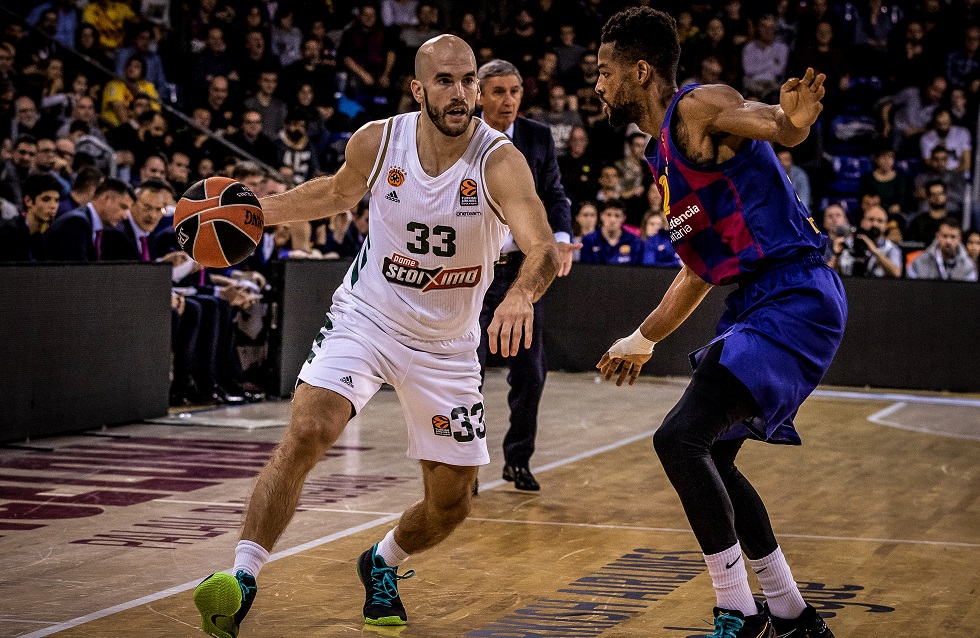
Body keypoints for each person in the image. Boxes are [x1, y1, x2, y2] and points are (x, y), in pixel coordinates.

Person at [192, 34, 560, 637]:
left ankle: (381, 562)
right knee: (310, 429)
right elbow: (335, 192)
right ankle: (241, 579)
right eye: (445, 81)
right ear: (418, 89)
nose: (461, 93)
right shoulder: (379, 139)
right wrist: (258, 212)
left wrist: (520, 294)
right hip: (369, 317)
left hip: (447, 346)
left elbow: (541, 246)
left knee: (451, 504)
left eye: (468, 80)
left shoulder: (499, 160)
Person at [594, 8, 843, 638]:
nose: (595, 84)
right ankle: (791, 613)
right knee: (714, 459)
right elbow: (699, 273)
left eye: (604, 70)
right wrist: (642, 337)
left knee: (678, 440)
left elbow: (765, 123)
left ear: (640, 70)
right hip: (757, 302)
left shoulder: (698, 107)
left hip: (795, 296)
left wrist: (790, 124)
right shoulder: (664, 162)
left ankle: (737, 609)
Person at [474, 58, 577, 492]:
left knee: (531, 371)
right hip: (472, 272)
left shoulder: (535, 136)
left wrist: (560, 237)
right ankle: (464, 469)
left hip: (521, 271)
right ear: (479, 95)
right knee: (466, 373)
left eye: (514, 91)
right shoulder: (461, 138)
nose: (508, 100)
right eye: (498, 92)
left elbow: (554, 194)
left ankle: (518, 460)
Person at [832, 205, 903, 278]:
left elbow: (897, 274)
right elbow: (826, 274)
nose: (875, 224)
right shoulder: (847, 243)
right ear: (862, 222)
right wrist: (836, 255)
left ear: (885, 226)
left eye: (880, 221)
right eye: (871, 219)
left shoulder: (891, 248)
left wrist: (875, 251)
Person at [907, 218, 978, 281]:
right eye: (945, 236)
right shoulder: (919, 261)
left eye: (953, 237)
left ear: (959, 239)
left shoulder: (968, 266)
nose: (948, 241)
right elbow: (910, 289)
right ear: (937, 236)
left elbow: (969, 294)